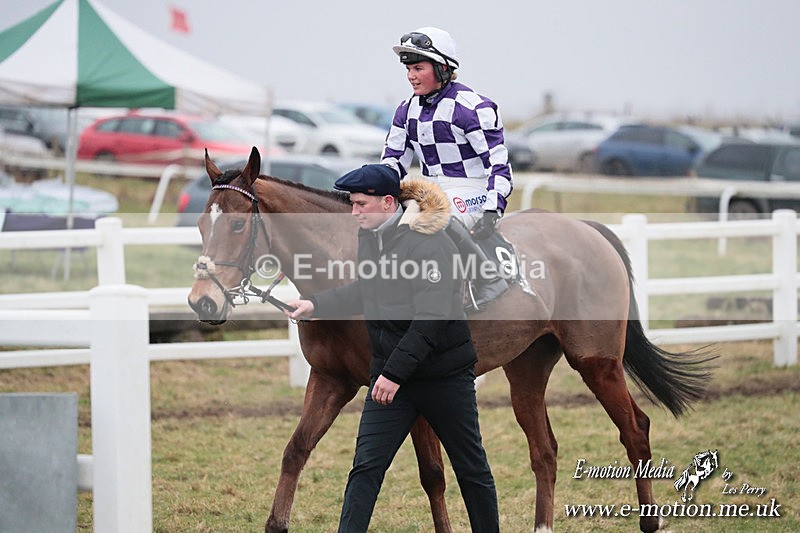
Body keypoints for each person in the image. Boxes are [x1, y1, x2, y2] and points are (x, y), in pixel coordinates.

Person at [286, 164, 499, 532]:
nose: (354, 212)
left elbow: (432, 318)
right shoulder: (371, 237)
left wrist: (392, 374)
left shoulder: (430, 243)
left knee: (471, 468)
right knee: (366, 467)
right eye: (352, 204)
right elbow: (367, 289)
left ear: (387, 202)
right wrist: (316, 304)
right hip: (391, 378)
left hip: (443, 377)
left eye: (361, 204)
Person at [381, 26, 512, 311]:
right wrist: (371, 189)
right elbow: (393, 161)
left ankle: (488, 277)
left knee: (434, 217)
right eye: (408, 69)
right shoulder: (405, 110)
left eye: (418, 68)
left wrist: (493, 208)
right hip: (428, 190)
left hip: (473, 190)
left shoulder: (473, 107)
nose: (411, 76)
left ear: (442, 68)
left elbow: (498, 164)